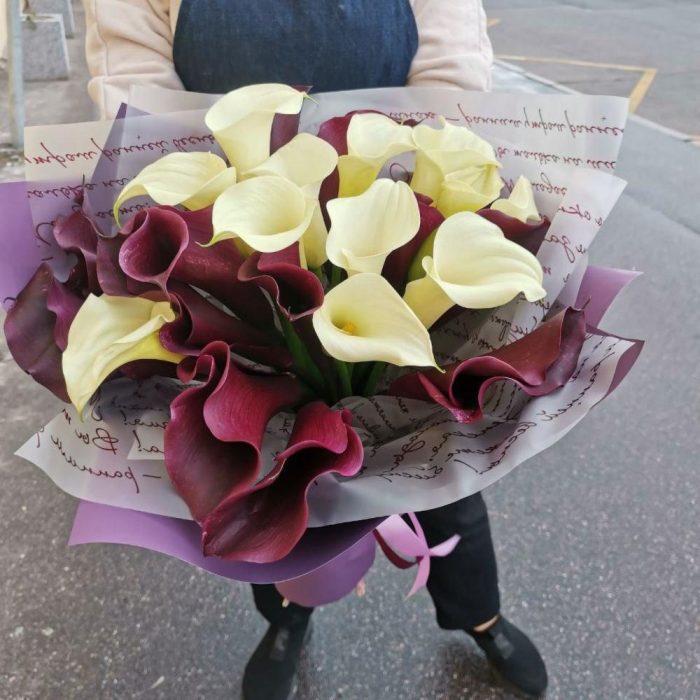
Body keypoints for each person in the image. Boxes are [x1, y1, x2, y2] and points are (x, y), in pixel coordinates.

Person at [82, 2, 549, 698]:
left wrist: (415, 209)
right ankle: (289, 613)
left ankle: (479, 614)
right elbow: (136, 100)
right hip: (241, 259)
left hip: (392, 231)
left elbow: (452, 80)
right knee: (272, 473)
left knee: (440, 466)